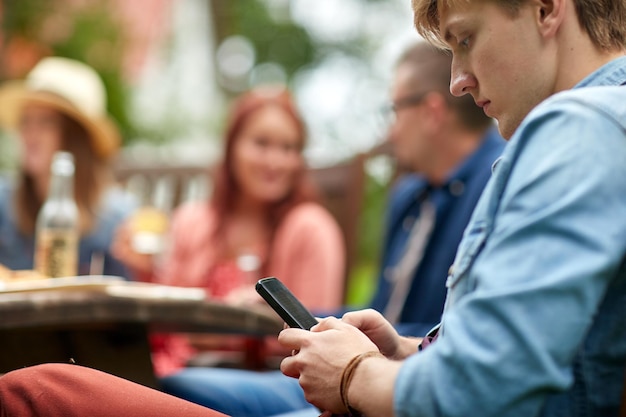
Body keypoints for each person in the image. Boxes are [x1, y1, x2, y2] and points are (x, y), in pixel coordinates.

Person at [1, 0, 626, 416]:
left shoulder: (578, 129)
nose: (457, 79)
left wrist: (355, 373)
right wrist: (411, 349)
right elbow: (535, 357)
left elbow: (481, 393)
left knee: (35, 391)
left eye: (465, 39)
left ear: (547, 8)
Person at [157, 41, 505, 417]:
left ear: (431, 112)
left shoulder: (495, 190)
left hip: (398, 382)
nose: (389, 130)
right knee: (171, 386)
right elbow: (378, 310)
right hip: (376, 363)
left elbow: (476, 335)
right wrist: (310, 315)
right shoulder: (409, 197)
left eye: (394, 110)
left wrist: (389, 349)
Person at [111, 86, 346, 376]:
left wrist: (248, 321)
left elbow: (319, 335)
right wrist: (144, 271)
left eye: (288, 148)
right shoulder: (192, 220)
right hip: (177, 366)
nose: (275, 161)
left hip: (263, 375)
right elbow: (164, 324)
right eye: (261, 143)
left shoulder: (311, 228)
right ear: (231, 147)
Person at [0, 56, 136, 278]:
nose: (30, 135)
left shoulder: (118, 219)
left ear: (76, 138)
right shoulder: (4, 203)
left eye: (46, 122)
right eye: (26, 121)